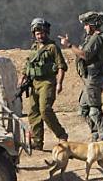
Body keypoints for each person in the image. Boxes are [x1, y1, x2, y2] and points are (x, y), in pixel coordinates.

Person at [60, 11, 103, 142]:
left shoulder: (97, 38)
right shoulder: (96, 38)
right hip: (91, 78)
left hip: (94, 78)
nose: (85, 28)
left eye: (86, 25)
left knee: (94, 109)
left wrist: (68, 45)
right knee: (84, 108)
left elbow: (85, 55)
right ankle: (95, 134)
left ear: (92, 25)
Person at [20, 17, 68, 151]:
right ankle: (37, 142)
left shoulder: (52, 48)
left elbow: (61, 66)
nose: (40, 36)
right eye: (37, 33)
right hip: (34, 83)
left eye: (42, 33)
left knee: (45, 110)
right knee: (33, 112)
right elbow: (27, 65)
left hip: (47, 82)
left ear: (46, 33)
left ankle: (61, 135)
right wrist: (22, 78)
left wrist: (59, 83)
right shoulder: (34, 47)